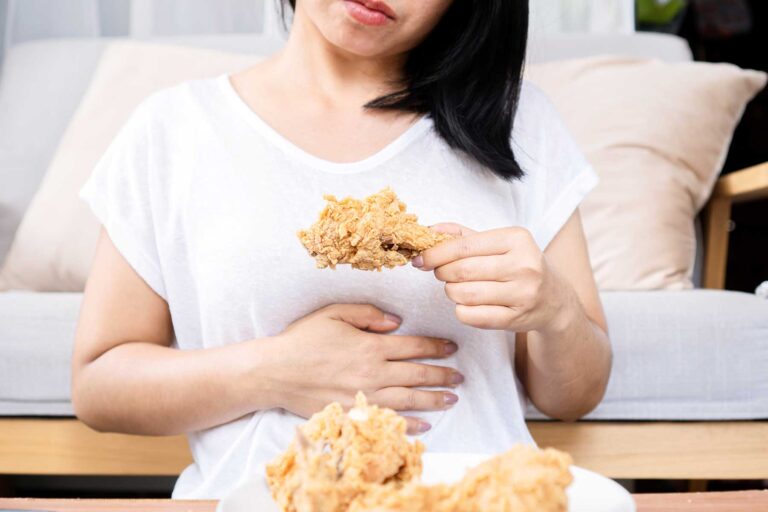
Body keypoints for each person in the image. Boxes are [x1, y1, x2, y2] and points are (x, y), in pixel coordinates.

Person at [72, 0, 612, 499]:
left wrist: (555, 309)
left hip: (471, 500)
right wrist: (270, 371)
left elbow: (575, 396)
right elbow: (99, 385)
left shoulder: (518, 124)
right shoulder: (174, 129)